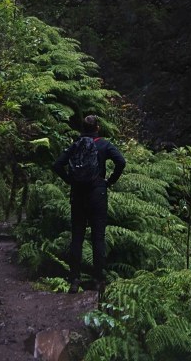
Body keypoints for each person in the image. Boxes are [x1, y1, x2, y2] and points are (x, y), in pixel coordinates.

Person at [52, 114, 125, 292]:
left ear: (83, 129)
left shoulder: (75, 145)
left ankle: (74, 280)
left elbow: (57, 165)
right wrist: (109, 181)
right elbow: (121, 162)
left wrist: (70, 181)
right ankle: (98, 281)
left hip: (78, 195)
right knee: (98, 237)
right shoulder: (104, 144)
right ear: (97, 128)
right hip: (97, 194)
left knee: (77, 237)